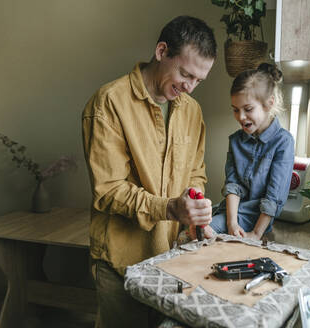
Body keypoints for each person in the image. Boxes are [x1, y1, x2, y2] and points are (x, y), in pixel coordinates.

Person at [81, 16, 216, 328]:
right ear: (161, 51)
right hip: (120, 262)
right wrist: (170, 208)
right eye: (185, 73)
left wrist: (194, 209)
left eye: (199, 80)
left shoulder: (192, 111)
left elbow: (196, 172)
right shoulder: (109, 102)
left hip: (172, 258)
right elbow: (109, 190)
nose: (190, 87)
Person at [208, 63, 294, 241]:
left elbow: (274, 197)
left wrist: (255, 234)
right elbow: (233, 185)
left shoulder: (283, 142)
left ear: (269, 103)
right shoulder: (235, 141)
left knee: (200, 234)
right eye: (235, 110)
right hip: (231, 213)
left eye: (248, 109)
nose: (240, 117)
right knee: (193, 228)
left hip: (257, 220)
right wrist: (232, 225)